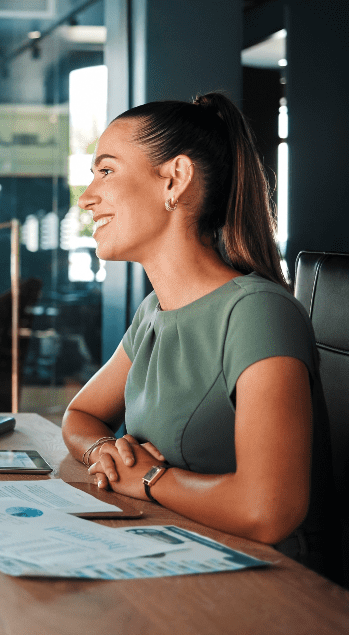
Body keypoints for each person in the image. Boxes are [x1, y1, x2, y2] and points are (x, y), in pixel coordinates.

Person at [61, 92, 334, 573]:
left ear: (175, 179)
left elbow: (268, 511)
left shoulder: (257, 312)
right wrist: (106, 453)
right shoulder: (153, 312)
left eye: (105, 171)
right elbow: (80, 414)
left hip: (261, 585)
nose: (86, 198)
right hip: (168, 550)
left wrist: (148, 479)